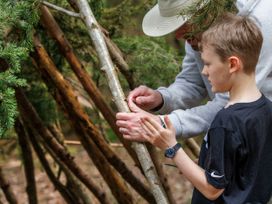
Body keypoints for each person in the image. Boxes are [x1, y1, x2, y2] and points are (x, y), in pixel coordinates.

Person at [139, 13, 272, 203]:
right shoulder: (266, 110)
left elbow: (212, 188)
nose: (204, 71)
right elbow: (243, 173)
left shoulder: (225, 122)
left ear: (233, 64)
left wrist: (171, 148)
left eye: (208, 64)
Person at [116, 0, 272, 140]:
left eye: (183, 21)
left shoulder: (259, 22)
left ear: (206, 8)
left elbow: (232, 104)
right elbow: (192, 82)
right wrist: (161, 98)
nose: (178, 35)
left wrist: (163, 125)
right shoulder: (202, 29)